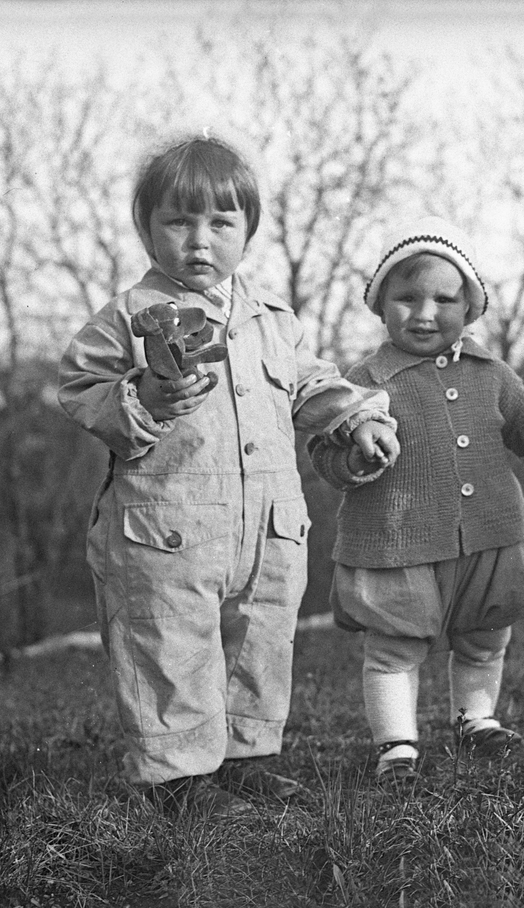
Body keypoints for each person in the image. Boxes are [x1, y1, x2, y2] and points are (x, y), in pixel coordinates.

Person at [59, 131, 400, 816]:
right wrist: (141, 397)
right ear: (147, 230)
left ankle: (248, 757)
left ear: (248, 231)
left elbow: (314, 386)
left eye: (221, 223)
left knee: (263, 640)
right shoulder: (128, 317)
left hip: (268, 527)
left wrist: (358, 422)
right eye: (178, 222)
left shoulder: (274, 319)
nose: (199, 240)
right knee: (169, 643)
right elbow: (79, 385)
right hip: (167, 533)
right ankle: (177, 779)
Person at [308, 216, 524, 784]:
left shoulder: (492, 372)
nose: (425, 313)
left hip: (490, 531)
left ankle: (476, 718)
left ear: (470, 307)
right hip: (398, 539)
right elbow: (325, 449)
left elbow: (521, 425)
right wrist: (351, 457)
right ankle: (396, 745)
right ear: (380, 306)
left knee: (485, 635)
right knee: (394, 645)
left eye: (444, 299)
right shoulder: (365, 379)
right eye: (406, 298)